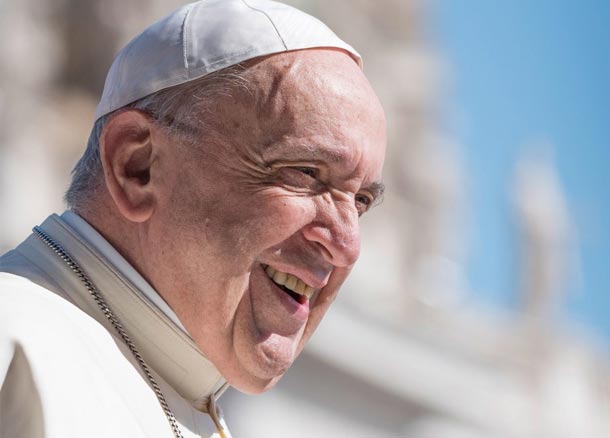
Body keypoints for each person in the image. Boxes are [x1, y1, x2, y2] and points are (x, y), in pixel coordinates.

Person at [0, 0, 387, 436]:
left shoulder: (184, 398)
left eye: (360, 202)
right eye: (306, 173)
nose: (346, 245)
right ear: (138, 166)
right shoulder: (13, 342)